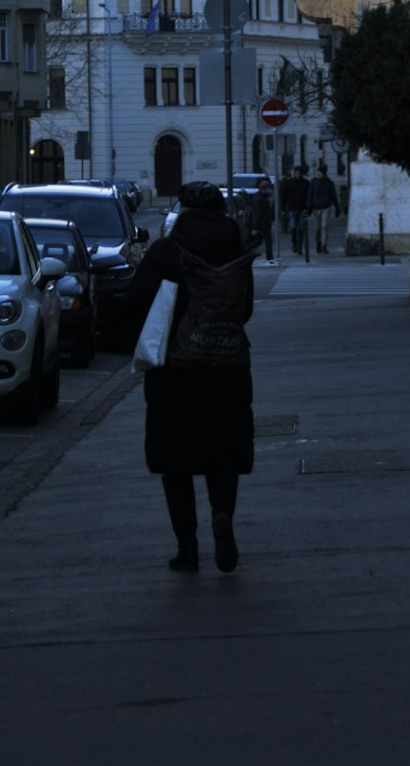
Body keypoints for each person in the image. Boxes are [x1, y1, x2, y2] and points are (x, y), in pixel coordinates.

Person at [125, 181, 255, 574]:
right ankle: (222, 516)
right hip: (227, 367)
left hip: (174, 373)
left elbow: (137, 304)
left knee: (176, 463)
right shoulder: (237, 250)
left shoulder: (167, 251)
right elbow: (244, 309)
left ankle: (187, 548)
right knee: (223, 455)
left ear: (181, 209)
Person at [307, 162, 339, 253]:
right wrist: (309, 206)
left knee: (324, 227)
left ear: (323, 173)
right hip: (316, 208)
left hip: (326, 207)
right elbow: (310, 194)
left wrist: (337, 207)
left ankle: (324, 245)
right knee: (317, 228)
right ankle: (318, 242)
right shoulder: (313, 182)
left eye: (319, 172)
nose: (317, 173)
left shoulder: (329, 183)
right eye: (317, 172)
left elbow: (333, 196)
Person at [280, 166, 310, 253]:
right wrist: (282, 209)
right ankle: (294, 243)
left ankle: (299, 246)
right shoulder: (289, 183)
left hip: (302, 209)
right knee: (293, 228)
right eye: (296, 173)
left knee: (301, 229)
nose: (298, 175)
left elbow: (309, 197)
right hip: (292, 209)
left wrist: (308, 208)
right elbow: (284, 197)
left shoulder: (306, 183)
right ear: (294, 173)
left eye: (299, 173)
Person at [251, 177, 276, 263]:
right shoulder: (261, 199)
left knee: (257, 242)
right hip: (263, 223)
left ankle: (243, 252)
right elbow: (257, 214)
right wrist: (255, 227)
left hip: (262, 223)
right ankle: (270, 259)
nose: (271, 191)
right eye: (270, 189)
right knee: (268, 240)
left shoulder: (261, 197)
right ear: (265, 189)